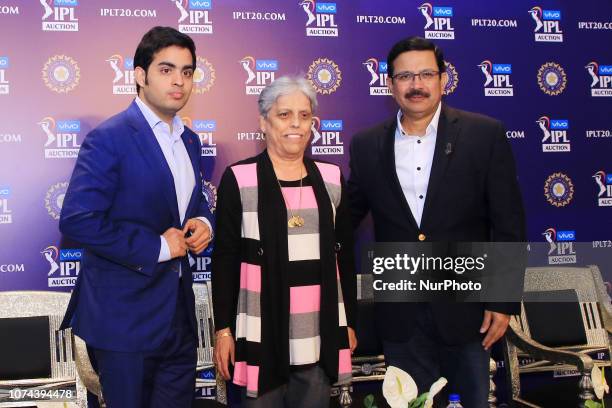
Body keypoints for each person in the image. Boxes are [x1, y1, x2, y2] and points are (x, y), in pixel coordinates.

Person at [348, 37, 526, 408]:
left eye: (426, 74)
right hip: (401, 314)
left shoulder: (484, 135)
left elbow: (508, 223)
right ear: (390, 84)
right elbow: (346, 218)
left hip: (468, 312)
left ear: (444, 79)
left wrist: (503, 300)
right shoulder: (366, 145)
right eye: (405, 76)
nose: (416, 84)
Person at [59, 26, 214, 408]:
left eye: (188, 71)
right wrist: (158, 246)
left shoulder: (190, 140)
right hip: (123, 321)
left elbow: (191, 204)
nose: (179, 81)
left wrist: (205, 223)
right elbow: (77, 219)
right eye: (166, 69)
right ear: (140, 76)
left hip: (177, 318)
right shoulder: (110, 137)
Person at [212, 76, 357, 408]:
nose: (296, 124)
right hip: (261, 334)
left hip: (320, 335)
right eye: (284, 114)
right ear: (264, 122)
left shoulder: (332, 178)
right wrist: (223, 330)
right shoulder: (239, 178)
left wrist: (348, 323)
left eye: (304, 116)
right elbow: (225, 259)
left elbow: (345, 257)